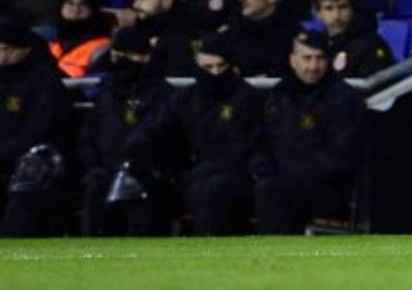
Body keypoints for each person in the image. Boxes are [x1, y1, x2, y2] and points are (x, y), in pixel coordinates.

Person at [125, 34, 262, 236]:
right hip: (188, 178)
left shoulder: (250, 99)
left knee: (212, 191)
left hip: (234, 179)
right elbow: (156, 128)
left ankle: (208, 255)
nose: (215, 73)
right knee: (142, 187)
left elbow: (249, 146)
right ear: (198, 66)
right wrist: (137, 145)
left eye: (221, 66)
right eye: (208, 67)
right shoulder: (184, 99)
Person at [251, 30, 366, 234]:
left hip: (327, 190)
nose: (313, 66)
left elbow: (341, 156)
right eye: (307, 58)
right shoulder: (278, 94)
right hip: (276, 180)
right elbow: (260, 142)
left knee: (273, 193)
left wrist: (288, 175)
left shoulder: (343, 98)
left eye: (320, 58)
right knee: (223, 188)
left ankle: (276, 261)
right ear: (293, 60)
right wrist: (263, 170)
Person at [77, 27, 175, 236]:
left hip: (146, 174)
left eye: (128, 55)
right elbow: (89, 135)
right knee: (96, 189)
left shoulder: (162, 93)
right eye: (117, 55)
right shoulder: (106, 92)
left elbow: (162, 134)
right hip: (104, 170)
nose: (121, 61)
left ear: (145, 56)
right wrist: (93, 165)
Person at [0, 16, 75, 237]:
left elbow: (41, 132)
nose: (2, 58)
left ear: (24, 49)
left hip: (41, 162)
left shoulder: (44, 81)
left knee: (29, 180)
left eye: (7, 50)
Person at [312, 0, 391, 77]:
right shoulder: (315, 45)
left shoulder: (371, 45)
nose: (336, 16)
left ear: (352, 9)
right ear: (318, 13)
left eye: (343, 7)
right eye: (329, 8)